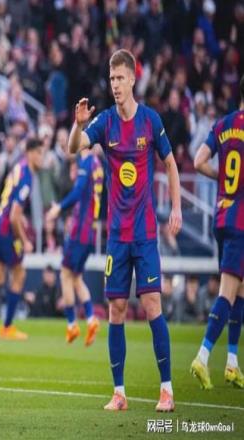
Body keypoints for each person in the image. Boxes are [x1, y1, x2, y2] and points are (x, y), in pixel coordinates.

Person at [68, 49, 182, 412]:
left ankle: (166, 390)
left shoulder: (150, 120)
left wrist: (177, 207)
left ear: (132, 79)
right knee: (115, 309)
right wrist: (77, 124)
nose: (115, 84)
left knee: (152, 305)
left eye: (120, 78)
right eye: (111, 78)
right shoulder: (104, 122)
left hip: (145, 233)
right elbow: (73, 149)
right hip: (117, 236)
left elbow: (171, 163)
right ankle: (119, 393)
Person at [190, 74, 244, 390]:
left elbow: (198, 161)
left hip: (222, 215)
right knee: (227, 292)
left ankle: (232, 363)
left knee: (240, 291)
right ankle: (202, 356)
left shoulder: (223, 124)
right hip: (241, 223)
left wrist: (222, 179)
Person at [0, 138, 44, 340]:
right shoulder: (26, 175)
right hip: (6, 228)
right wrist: (25, 240)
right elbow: (14, 216)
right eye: (39, 153)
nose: (42, 158)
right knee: (19, 274)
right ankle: (8, 326)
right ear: (30, 153)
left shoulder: (19, 168)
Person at [46, 146, 103, 346]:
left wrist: (59, 208)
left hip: (81, 231)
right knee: (76, 277)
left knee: (65, 274)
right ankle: (91, 319)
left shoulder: (87, 162)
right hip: (91, 232)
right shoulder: (97, 164)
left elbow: (78, 192)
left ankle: (72, 325)